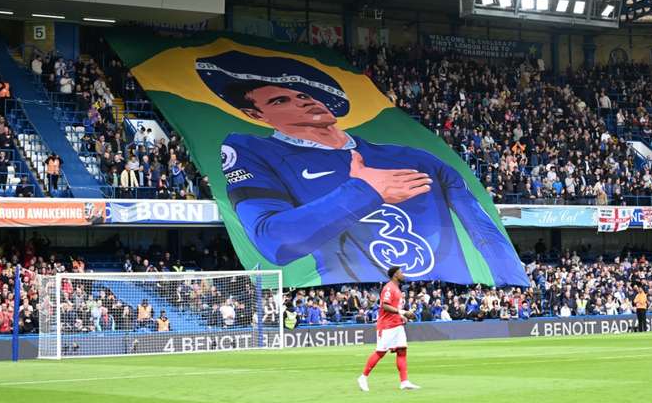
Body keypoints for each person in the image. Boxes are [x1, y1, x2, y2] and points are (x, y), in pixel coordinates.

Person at [201, 52, 527, 286]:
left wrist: (512, 286)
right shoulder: (253, 151)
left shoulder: (416, 157)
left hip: (432, 285)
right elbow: (273, 242)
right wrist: (364, 191)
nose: (302, 100)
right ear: (256, 114)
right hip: (362, 293)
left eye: (302, 93)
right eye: (279, 101)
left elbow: (485, 232)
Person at [358, 267, 419, 392]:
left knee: (402, 351)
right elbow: (385, 305)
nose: (403, 274)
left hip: (397, 324)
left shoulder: (397, 288)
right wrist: (402, 312)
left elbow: (395, 308)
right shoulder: (389, 288)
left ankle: (404, 381)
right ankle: (363, 377)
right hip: (386, 325)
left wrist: (403, 317)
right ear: (395, 274)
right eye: (401, 272)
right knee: (380, 352)